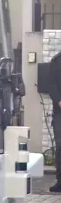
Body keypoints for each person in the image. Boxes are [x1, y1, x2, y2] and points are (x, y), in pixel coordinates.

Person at [47, 52, 61, 193]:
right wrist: (59, 101)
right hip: (60, 112)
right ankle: (60, 181)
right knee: (60, 146)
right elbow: (51, 85)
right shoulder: (56, 61)